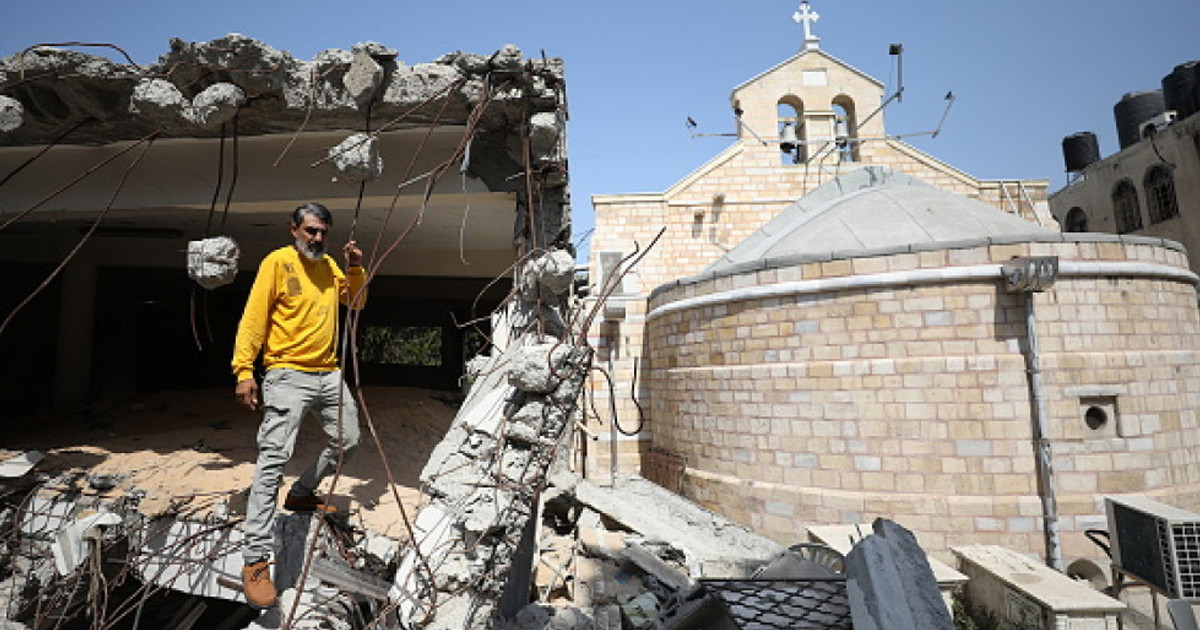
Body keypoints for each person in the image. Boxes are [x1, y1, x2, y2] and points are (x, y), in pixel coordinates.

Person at [232, 202, 367, 608]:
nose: (317, 238)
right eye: (310, 231)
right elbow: (253, 317)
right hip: (286, 373)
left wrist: (356, 267)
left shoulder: (330, 266)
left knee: (350, 440)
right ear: (293, 229)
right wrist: (243, 370)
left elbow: (356, 303)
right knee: (273, 460)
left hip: (328, 373)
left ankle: (304, 491)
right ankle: (256, 561)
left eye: (323, 232)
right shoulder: (277, 262)